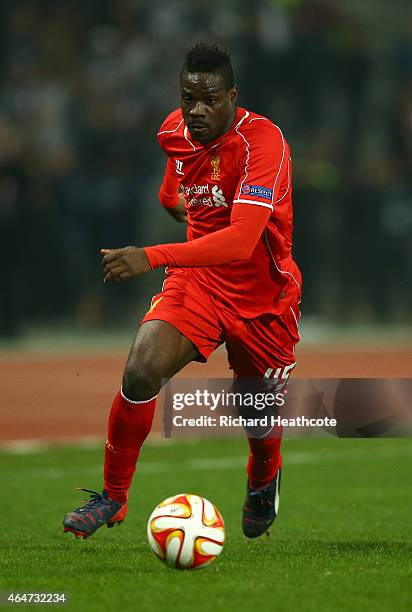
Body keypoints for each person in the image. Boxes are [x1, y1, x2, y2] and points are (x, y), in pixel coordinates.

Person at [63, 42, 301, 540]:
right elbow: (174, 183)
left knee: (254, 407)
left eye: (209, 99)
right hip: (198, 283)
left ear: (232, 96)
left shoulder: (264, 144)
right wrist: (175, 201)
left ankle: (263, 477)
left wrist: (151, 255)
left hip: (263, 297)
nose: (196, 110)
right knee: (141, 369)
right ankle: (113, 496)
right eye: (188, 97)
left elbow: (240, 242)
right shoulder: (175, 130)